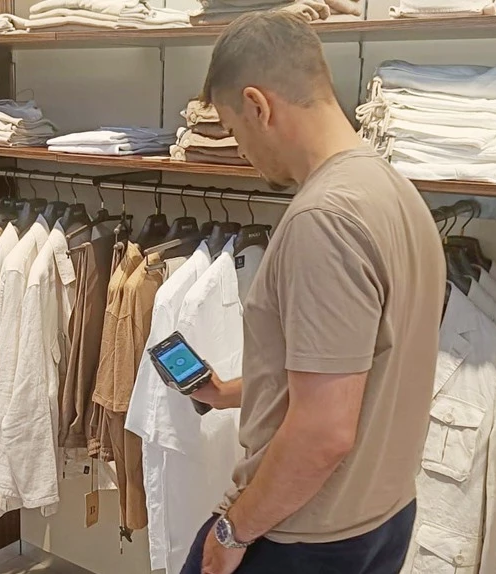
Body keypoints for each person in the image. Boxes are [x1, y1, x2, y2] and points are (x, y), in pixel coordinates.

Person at [181, 11, 445, 574]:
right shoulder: (394, 190)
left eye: (234, 130)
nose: (242, 152)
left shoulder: (323, 219)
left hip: (303, 534)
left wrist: (233, 529)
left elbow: (323, 431)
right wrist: (231, 392)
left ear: (258, 105)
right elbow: (359, 366)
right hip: (383, 516)